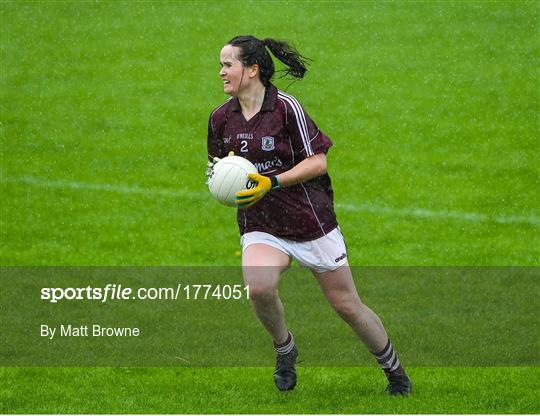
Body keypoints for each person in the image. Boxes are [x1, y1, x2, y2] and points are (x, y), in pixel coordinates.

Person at [207, 35, 412, 395]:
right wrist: (222, 185)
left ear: (252, 69)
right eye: (221, 65)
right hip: (262, 222)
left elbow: (318, 161)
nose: (221, 72)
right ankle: (284, 349)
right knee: (259, 287)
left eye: (228, 65)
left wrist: (271, 182)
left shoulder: (286, 108)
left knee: (347, 306)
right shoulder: (221, 118)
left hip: (309, 221)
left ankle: (394, 371)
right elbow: (217, 169)